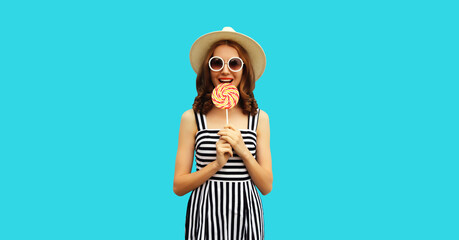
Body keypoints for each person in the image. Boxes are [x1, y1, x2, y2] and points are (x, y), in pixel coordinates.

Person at [173, 27, 273, 240]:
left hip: (246, 214)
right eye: (217, 63)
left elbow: (266, 186)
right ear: (208, 69)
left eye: (234, 63)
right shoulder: (191, 118)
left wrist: (243, 151)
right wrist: (216, 165)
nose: (225, 71)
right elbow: (178, 186)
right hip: (205, 213)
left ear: (244, 69)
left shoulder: (259, 118)